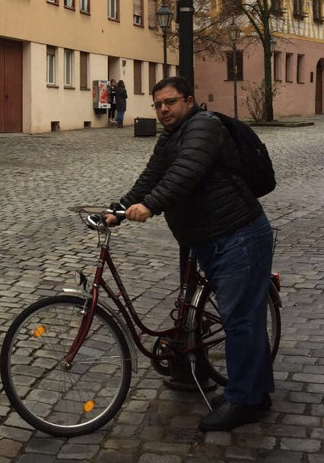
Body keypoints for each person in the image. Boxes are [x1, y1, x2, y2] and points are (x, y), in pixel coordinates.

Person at [110, 75, 274, 432]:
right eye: (158, 105)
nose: (164, 110)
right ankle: (255, 393)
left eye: (170, 102)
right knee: (242, 317)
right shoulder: (171, 137)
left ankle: (244, 401)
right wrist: (118, 210)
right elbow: (151, 176)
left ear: (188, 100)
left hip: (238, 235)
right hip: (209, 238)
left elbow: (185, 174)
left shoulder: (203, 127)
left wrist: (149, 207)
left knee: (240, 320)